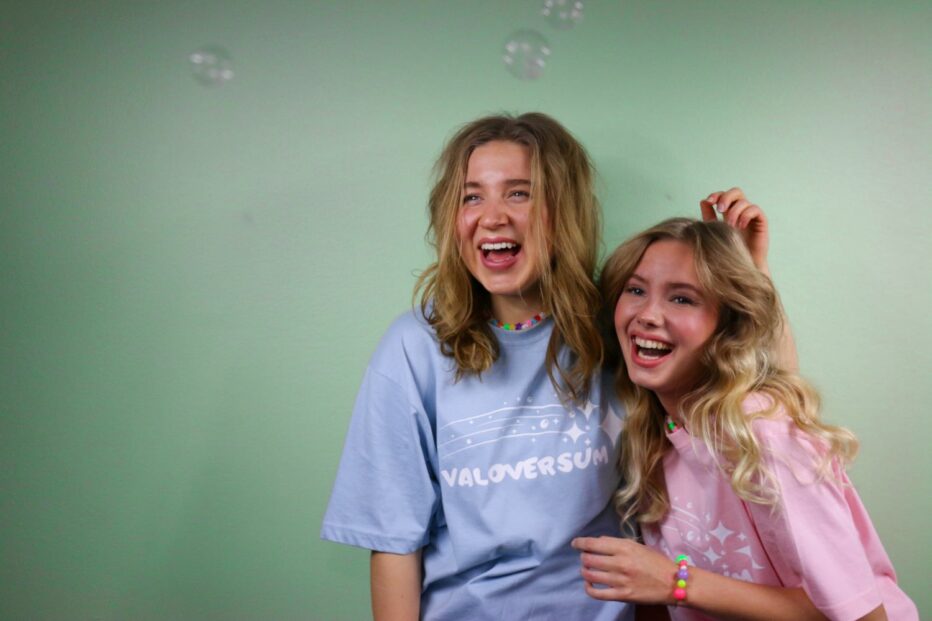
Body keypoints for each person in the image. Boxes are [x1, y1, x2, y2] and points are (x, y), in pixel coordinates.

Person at [320, 112, 784, 620]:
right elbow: (394, 542)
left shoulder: (620, 325)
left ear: (562, 212)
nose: (492, 217)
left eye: (519, 193)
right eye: (472, 197)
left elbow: (770, 404)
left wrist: (752, 277)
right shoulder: (413, 348)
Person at [573, 218, 918, 621]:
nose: (648, 314)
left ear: (728, 327)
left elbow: (866, 617)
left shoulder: (763, 432)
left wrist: (675, 582)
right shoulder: (654, 436)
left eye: (682, 298)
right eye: (635, 290)